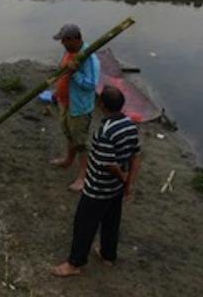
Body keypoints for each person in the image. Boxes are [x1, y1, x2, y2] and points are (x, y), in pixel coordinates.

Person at [50, 86, 141, 278]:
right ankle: (108, 256)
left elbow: (110, 165)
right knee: (111, 221)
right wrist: (128, 184)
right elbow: (135, 156)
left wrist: (124, 178)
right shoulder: (129, 124)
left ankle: (75, 263)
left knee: (84, 224)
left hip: (98, 189)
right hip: (116, 189)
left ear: (102, 105)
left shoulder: (105, 132)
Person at [49, 24, 101, 192]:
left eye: (64, 40)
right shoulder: (68, 51)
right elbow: (62, 71)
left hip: (79, 107)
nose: (62, 43)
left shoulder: (89, 58)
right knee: (69, 134)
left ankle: (82, 177)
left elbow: (91, 84)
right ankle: (67, 160)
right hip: (65, 102)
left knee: (81, 142)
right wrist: (57, 92)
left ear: (73, 39)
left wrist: (75, 74)